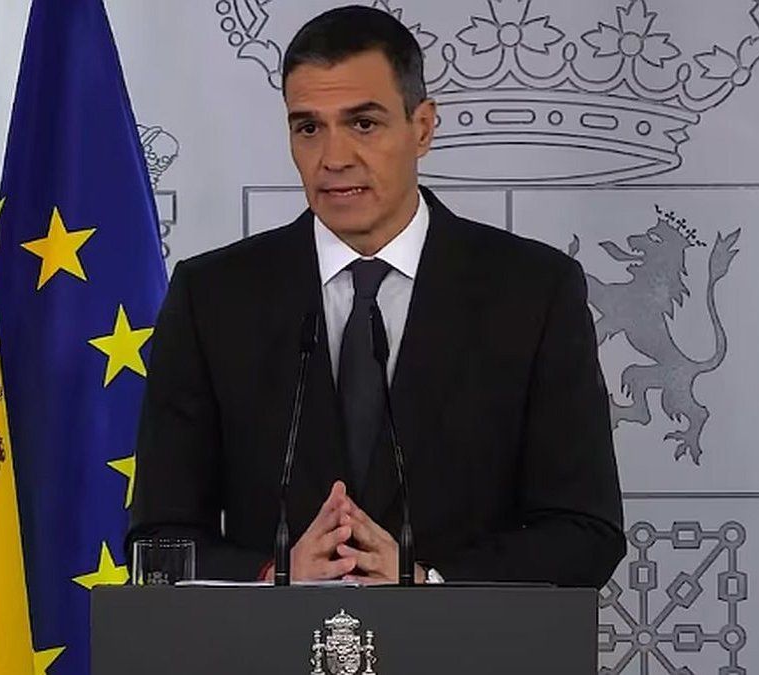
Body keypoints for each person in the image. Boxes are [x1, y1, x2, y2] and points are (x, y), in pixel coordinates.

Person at [128, 4, 624, 587]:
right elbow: (157, 540)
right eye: (308, 128)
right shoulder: (212, 297)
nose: (334, 158)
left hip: (460, 639)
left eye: (363, 124)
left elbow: (585, 533)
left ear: (423, 128)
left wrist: (429, 581)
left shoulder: (533, 293)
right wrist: (273, 576)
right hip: (273, 640)